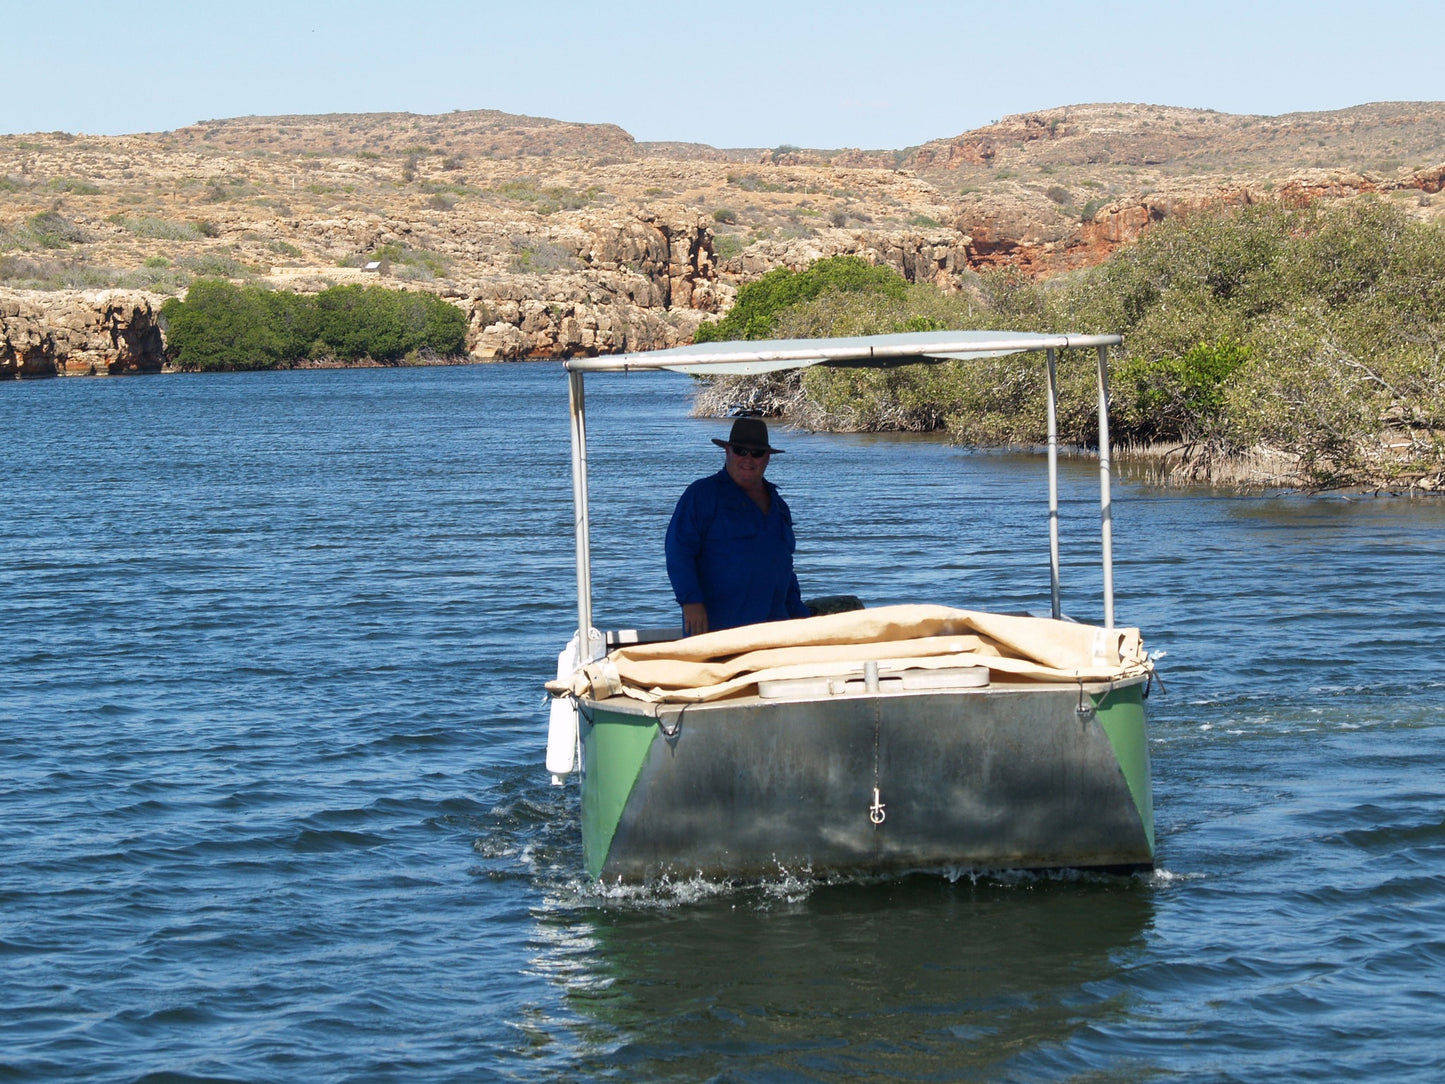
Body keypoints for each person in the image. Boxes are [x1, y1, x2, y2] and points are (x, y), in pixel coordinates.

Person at [665, 417, 810, 636]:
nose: (748, 459)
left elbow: (784, 565)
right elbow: (678, 552)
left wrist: (799, 616)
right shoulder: (701, 495)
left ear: (768, 458)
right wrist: (691, 603)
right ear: (727, 451)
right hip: (719, 627)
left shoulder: (779, 505)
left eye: (757, 453)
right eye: (741, 450)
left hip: (775, 626)